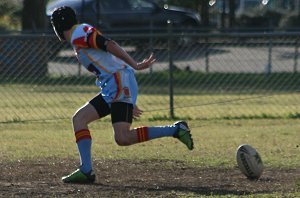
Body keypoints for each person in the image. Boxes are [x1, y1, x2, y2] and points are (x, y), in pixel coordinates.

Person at [50, 6, 194, 184]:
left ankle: (176, 129)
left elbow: (109, 44)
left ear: (57, 26)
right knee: (79, 119)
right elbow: (109, 60)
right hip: (113, 87)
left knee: (122, 137)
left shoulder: (80, 33)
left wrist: (135, 64)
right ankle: (86, 170)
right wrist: (129, 99)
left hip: (117, 83)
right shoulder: (78, 34)